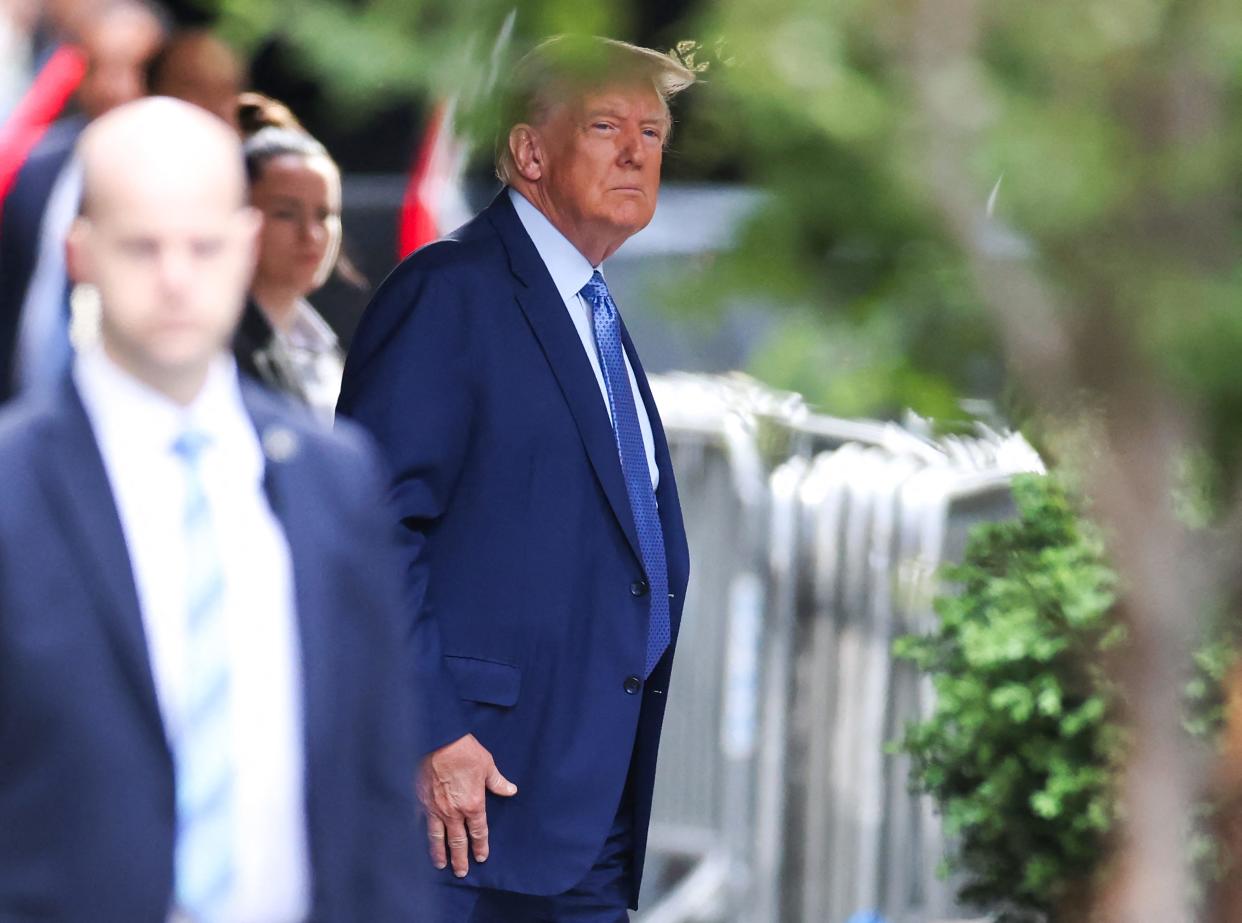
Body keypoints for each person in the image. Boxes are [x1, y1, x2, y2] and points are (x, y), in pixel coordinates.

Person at [0, 97, 420, 921]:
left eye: (201, 244)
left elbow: (374, 792)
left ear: (244, 243)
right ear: (79, 252)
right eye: (142, 246)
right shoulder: (13, 488)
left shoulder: (336, 483)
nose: (176, 277)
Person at [337, 34, 695, 922]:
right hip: (464, 811)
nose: (634, 152)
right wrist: (431, 731)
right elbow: (365, 531)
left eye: (652, 133)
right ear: (529, 152)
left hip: (581, 804)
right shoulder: (450, 291)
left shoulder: (597, 310)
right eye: (606, 124)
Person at [0, 0, 164, 400]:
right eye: (97, 68)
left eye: (131, 68)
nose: (112, 87)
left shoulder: (186, 179)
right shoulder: (38, 168)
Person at [234, 93, 347, 423]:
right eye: (285, 213)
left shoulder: (323, 345)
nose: (310, 234)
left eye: (325, 215)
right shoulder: (221, 349)